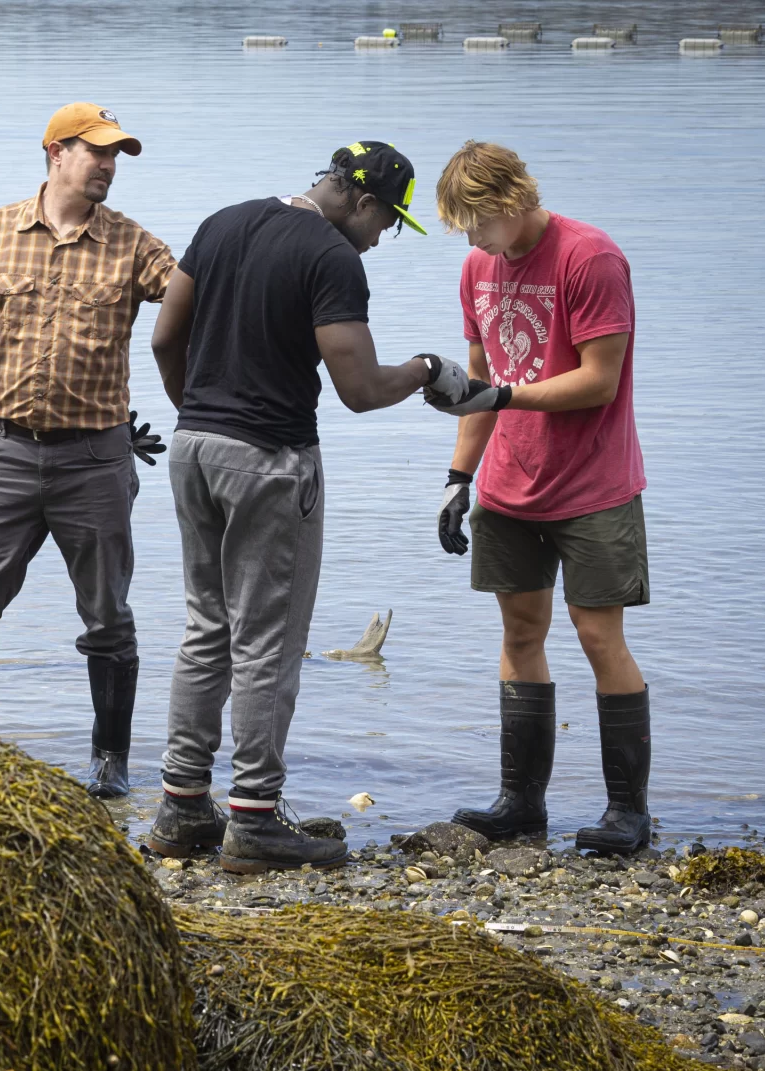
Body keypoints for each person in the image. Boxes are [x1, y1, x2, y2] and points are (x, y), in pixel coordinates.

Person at [145, 142, 447, 873]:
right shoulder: (330, 257)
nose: (380, 240)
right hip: (270, 459)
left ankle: (181, 807)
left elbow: (162, 337)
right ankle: (252, 817)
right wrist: (426, 371)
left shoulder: (221, 221)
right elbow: (360, 388)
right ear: (363, 201)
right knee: (266, 639)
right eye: (388, 224)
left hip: (192, 449)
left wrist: (202, 411)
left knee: (204, 626)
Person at [0, 102, 174, 799]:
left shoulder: (132, 243)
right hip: (1, 452)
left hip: (96, 460)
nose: (110, 168)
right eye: (98, 153)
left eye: (116, 157)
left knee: (108, 616)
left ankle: (109, 764)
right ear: (56, 151)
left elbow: (191, 303)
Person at [420, 140, 651, 854]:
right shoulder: (475, 268)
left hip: (593, 484)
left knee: (595, 635)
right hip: (508, 486)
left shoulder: (591, 258)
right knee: (519, 634)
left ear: (512, 201)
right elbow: (477, 384)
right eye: (460, 225)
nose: (469, 236)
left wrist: (505, 394)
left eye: (476, 221)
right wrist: (458, 480)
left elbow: (597, 381)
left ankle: (627, 812)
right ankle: (520, 804)